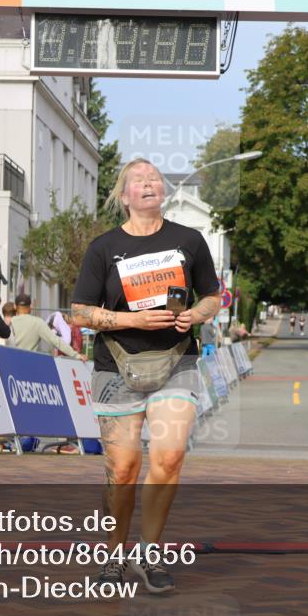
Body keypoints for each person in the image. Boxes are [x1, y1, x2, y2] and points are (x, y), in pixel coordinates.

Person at [71, 158, 221, 593]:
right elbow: (79, 312)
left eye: (154, 178)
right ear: (125, 197)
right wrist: (131, 321)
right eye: (139, 180)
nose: (149, 183)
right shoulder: (103, 248)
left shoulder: (188, 240)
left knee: (169, 458)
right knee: (122, 469)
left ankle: (148, 554)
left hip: (177, 360)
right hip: (116, 366)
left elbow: (214, 295)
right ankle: (114, 556)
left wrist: (198, 312)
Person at [10, 294, 84, 359]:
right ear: (31, 306)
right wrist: (76, 355)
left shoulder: (10, 322)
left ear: (15, 306)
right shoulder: (38, 322)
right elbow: (56, 341)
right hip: (30, 362)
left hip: (12, 361)